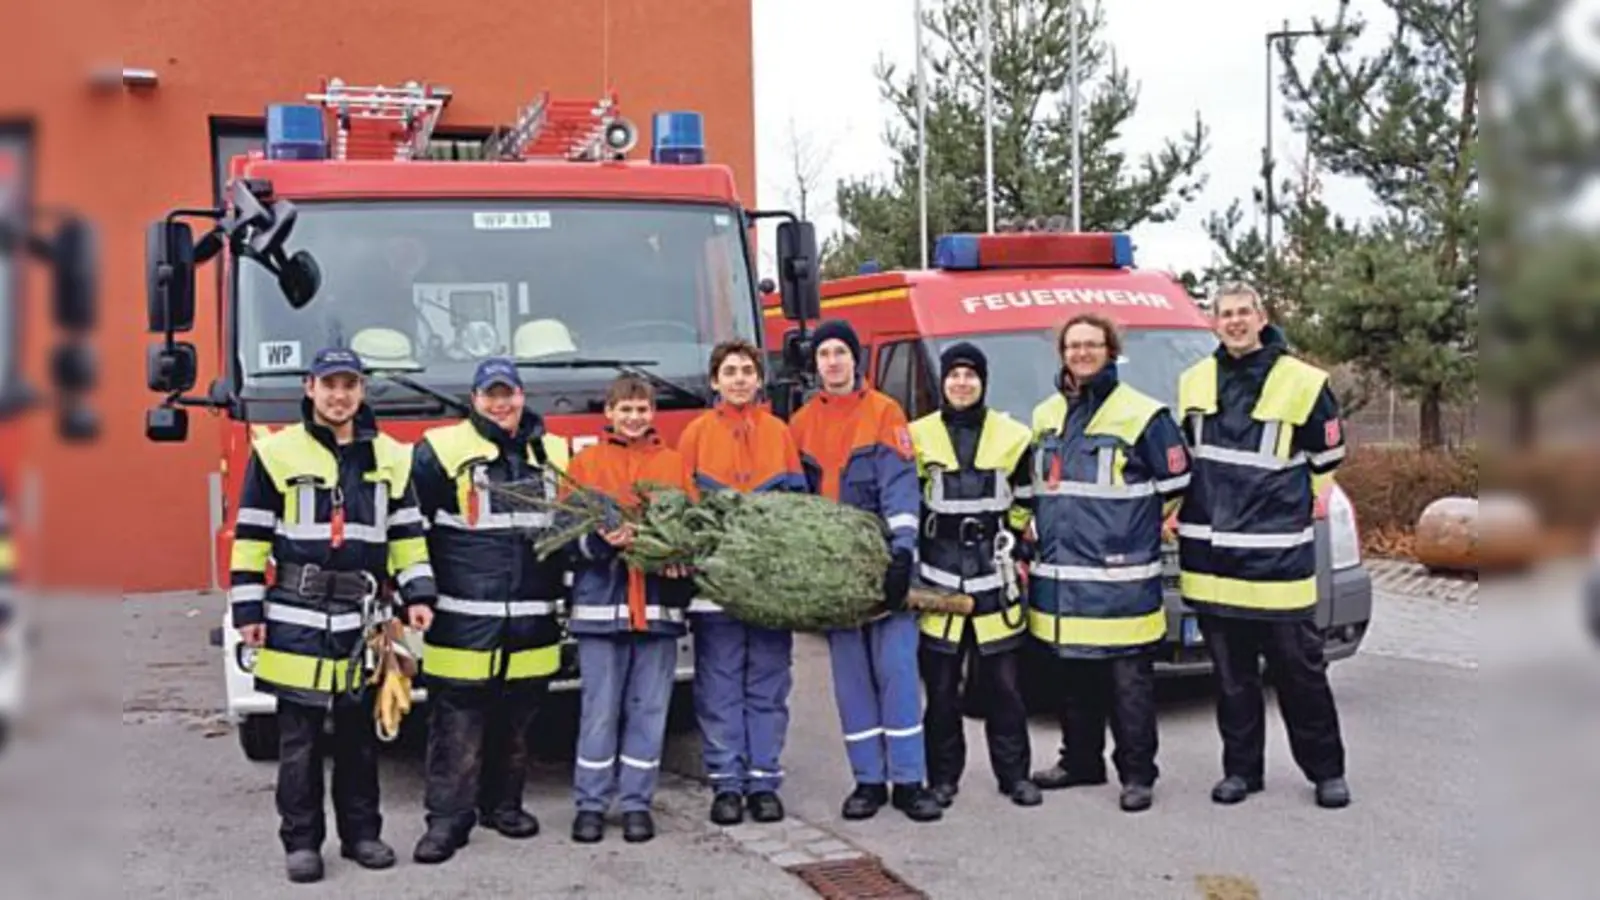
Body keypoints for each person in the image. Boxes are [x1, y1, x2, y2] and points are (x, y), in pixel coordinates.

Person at [227, 347, 437, 884]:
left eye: (349, 385)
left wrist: (417, 595)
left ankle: (362, 834)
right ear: (310, 389)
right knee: (297, 740)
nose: (339, 395)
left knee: (356, 739)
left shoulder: (391, 456)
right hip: (295, 611)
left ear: (361, 391)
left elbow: (408, 534)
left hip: (361, 618)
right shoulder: (275, 453)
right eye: (329, 385)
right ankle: (301, 844)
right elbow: (251, 535)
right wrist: (248, 606)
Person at [1176, 283, 1351, 809]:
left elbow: (1327, 459)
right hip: (1211, 559)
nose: (1234, 322)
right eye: (1224, 314)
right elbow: (1190, 458)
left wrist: (1298, 506)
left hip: (1277, 559)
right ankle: (1241, 772)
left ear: (1261, 317)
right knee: (1231, 681)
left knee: (1300, 675)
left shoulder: (1303, 382)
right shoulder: (1194, 380)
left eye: (1242, 313)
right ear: (1213, 322)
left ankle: (1326, 772)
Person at [407, 358, 571, 864]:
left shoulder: (555, 451)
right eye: (491, 394)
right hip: (464, 616)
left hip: (532, 616)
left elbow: (567, 531)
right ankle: (447, 821)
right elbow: (412, 525)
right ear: (474, 399)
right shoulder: (440, 450)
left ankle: (505, 805)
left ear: (522, 395)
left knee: (519, 719)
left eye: (509, 393)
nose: (501, 403)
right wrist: (414, 592)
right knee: (457, 723)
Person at [1024, 314, 1190, 813]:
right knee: (1074, 678)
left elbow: (1177, 488)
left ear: (1111, 350)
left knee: (1129, 685)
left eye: (1092, 344)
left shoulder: (1144, 415)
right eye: (1073, 345)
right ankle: (1080, 761)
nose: (1081, 353)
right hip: (1062, 579)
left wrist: (1133, 533)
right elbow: (1037, 489)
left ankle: (1137, 774)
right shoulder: (1045, 415)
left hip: (1120, 577)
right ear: (1063, 354)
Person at [789, 319, 942, 823]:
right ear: (815, 365)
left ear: (856, 359)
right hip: (834, 575)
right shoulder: (802, 422)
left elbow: (900, 487)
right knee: (852, 682)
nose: (832, 361)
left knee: (897, 674)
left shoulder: (884, 413)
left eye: (840, 352)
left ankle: (909, 781)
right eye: (824, 354)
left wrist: (902, 552)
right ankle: (868, 782)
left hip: (882, 566)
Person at [676, 340, 806, 826]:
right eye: (729, 372)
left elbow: (798, 509)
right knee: (720, 688)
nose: (738, 379)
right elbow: (683, 512)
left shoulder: (779, 433)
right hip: (716, 587)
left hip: (770, 588)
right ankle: (727, 785)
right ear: (715, 381)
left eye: (746, 371)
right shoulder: (694, 436)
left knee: (768, 687)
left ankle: (764, 782)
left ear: (759, 379)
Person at [564, 374, 698, 844]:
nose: (634, 417)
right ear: (609, 412)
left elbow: (692, 532)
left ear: (652, 413)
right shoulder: (585, 464)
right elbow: (561, 537)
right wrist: (598, 544)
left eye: (642, 409)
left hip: (658, 611)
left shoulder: (673, 465)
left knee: (649, 710)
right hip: (601, 611)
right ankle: (591, 805)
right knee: (599, 710)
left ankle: (637, 803)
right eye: (626, 409)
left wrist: (678, 558)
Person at [909, 342, 1040, 810]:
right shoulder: (917, 435)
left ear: (983, 381)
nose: (961, 383)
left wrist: (1019, 538)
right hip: (938, 577)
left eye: (970, 375)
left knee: (1004, 688)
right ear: (941, 382)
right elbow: (909, 500)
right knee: (941, 690)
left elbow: (1026, 495)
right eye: (953, 375)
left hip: (994, 577)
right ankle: (943, 778)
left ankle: (1015, 776)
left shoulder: (1013, 435)